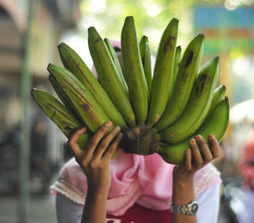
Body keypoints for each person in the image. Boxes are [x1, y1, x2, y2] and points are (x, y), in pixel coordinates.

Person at [50, 41, 223, 223]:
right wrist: (97, 189)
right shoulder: (77, 177)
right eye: (111, 92)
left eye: (135, 89)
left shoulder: (199, 176)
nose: (126, 104)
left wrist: (183, 182)